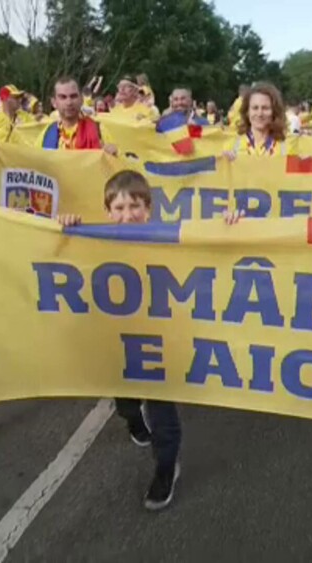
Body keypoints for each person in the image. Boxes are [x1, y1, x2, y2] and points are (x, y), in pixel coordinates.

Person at [55, 172, 243, 511]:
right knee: (126, 402)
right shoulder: (94, 239)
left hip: (159, 342)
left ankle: (166, 466)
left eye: (135, 206)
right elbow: (53, 247)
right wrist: (66, 224)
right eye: (119, 207)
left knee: (162, 412)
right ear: (107, 211)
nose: (128, 215)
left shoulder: (166, 237)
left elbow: (212, 248)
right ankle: (132, 419)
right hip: (118, 341)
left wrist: (230, 225)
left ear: (149, 208)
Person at [37, 77, 117, 154]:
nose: (69, 103)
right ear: (54, 102)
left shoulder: (99, 130)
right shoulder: (46, 134)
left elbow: (120, 163)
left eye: (73, 96)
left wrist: (113, 155)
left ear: (81, 100)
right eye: (63, 97)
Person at [223, 82, 289, 158]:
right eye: (255, 108)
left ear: (274, 111)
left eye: (265, 108)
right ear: (247, 111)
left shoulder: (287, 147)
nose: (259, 114)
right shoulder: (231, 146)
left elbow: (299, 169)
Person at [0, 84, 33, 155]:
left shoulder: (25, 116)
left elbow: (34, 134)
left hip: (20, 160)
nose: (19, 100)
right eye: (15, 97)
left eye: (19, 97)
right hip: (2, 162)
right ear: (5, 99)